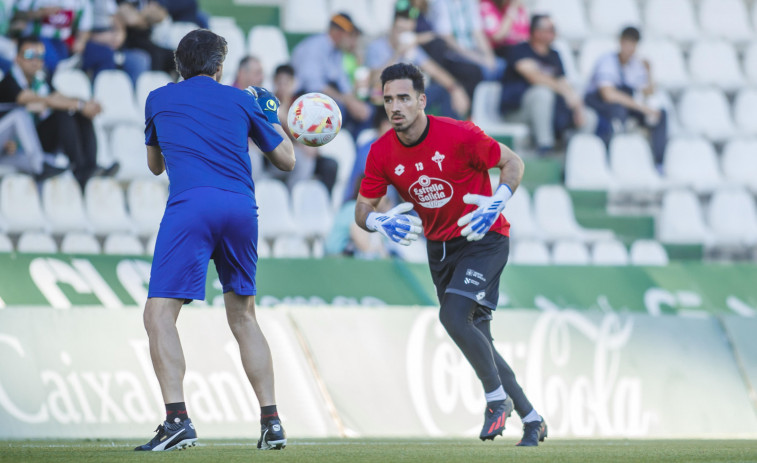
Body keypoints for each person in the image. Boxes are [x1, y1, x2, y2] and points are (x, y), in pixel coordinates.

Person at [355, 62, 547, 446]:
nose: (395, 107)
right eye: (389, 99)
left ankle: (496, 400)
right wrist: (377, 222)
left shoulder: (460, 134)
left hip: (484, 236)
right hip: (440, 249)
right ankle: (532, 418)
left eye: (404, 98)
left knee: (454, 315)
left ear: (422, 100)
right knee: (480, 340)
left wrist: (498, 200)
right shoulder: (380, 152)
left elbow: (514, 162)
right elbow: (363, 209)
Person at [137, 29, 295, 452]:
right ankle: (272, 422)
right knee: (244, 316)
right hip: (242, 210)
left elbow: (155, 167)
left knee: (159, 316)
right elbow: (287, 160)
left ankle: (177, 420)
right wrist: (269, 112)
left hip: (191, 207)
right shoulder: (244, 99)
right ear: (220, 66)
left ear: (178, 65)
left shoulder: (157, 98)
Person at [13, 36, 103, 188]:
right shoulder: (9, 81)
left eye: (40, 56)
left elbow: (57, 96)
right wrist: (79, 105)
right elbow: (42, 99)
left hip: (38, 136)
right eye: (29, 55)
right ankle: (79, 168)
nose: (35, 61)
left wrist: (85, 104)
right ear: (18, 58)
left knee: (77, 112)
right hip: (18, 144)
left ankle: (90, 166)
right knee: (63, 111)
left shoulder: (41, 77)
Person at [500, 14, 596, 154]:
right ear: (537, 32)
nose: (554, 32)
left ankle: (572, 154)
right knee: (542, 93)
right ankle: (545, 145)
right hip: (517, 110)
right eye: (551, 29)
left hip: (551, 109)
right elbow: (534, 77)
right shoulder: (519, 50)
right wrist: (564, 92)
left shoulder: (555, 55)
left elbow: (563, 81)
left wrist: (577, 105)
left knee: (589, 116)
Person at [365, 6, 469, 119]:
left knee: (443, 91)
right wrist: (397, 54)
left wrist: (456, 89)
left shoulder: (411, 48)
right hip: (386, 99)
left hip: (409, 97)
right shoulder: (376, 47)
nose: (403, 35)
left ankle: (450, 133)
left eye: (408, 31)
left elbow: (434, 70)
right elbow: (374, 81)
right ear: (392, 28)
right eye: (400, 30)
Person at [584, 26, 667, 168]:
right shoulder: (607, 61)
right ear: (620, 42)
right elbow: (608, 94)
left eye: (633, 44)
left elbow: (647, 92)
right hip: (599, 103)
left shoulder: (636, 64)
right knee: (618, 111)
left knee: (660, 114)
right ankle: (611, 158)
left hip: (625, 104)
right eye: (627, 43)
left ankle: (658, 161)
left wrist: (649, 73)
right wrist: (641, 107)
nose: (630, 48)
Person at [290, 12, 372, 138]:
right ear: (338, 33)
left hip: (325, 100)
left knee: (367, 111)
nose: (352, 40)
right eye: (350, 35)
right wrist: (348, 103)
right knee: (338, 111)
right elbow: (314, 86)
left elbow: (344, 85)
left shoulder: (337, 52)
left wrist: (356, 104)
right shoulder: (315, 47)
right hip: (302, 102)